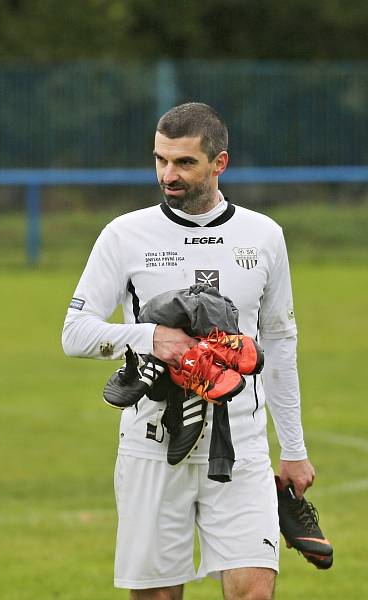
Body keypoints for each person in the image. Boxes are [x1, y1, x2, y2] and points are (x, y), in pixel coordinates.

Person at [62, 102, 315, 600]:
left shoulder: (264, 236)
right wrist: (150, 337)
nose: (167, 175)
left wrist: (295, 450)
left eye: (184, 163)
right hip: (153, 443)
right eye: (160, 160)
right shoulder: (124, 234)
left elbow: (281, 344)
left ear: (220, 163)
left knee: (253, 593)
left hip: (241, 446)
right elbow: (75, 332)